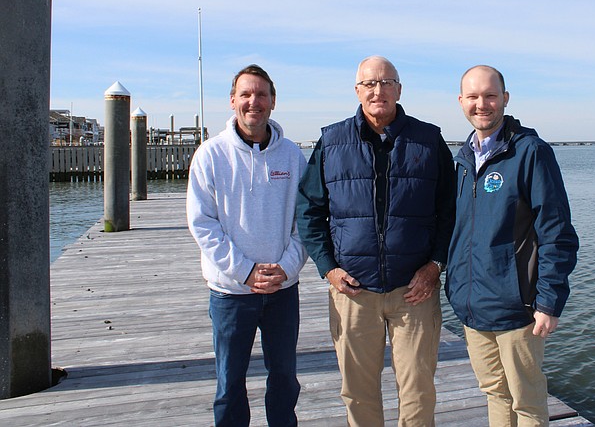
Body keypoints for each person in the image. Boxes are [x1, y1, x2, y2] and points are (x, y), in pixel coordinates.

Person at [296, 55, 456, 426]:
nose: (377, 90)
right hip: (353, 291)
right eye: (369, 84)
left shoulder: (428, 140)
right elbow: (309, 210)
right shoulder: (331, 141)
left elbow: (451, 211)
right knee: (358, 391)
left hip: (414, 291)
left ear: (399, 90)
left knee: (418, 390)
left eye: (386, 83)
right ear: (357, 90)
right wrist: (327, 268)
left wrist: (436, 265)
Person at [445, 65, 579, 427]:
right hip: (473, 308)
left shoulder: (531, 152)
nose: (481, 104)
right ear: (461, 102)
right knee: (495, 393)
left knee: (527, 401)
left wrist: (549, 301)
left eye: (490, 95)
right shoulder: (461, 160)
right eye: (472, 97)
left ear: (505, 99)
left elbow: (557, 233)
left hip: (518, 309)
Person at [187, 64, 308, 427]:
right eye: (246, 94)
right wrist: (245, 271)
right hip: (229, 292)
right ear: (232, 101)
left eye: (261, 94)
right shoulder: (210, 155)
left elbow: (307, 221)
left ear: (273, 102)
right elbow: (202, 223)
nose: (253, 101)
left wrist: (287, 267)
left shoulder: (293, 156)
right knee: (229, 384)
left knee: (284, 380)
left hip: (282, 291)